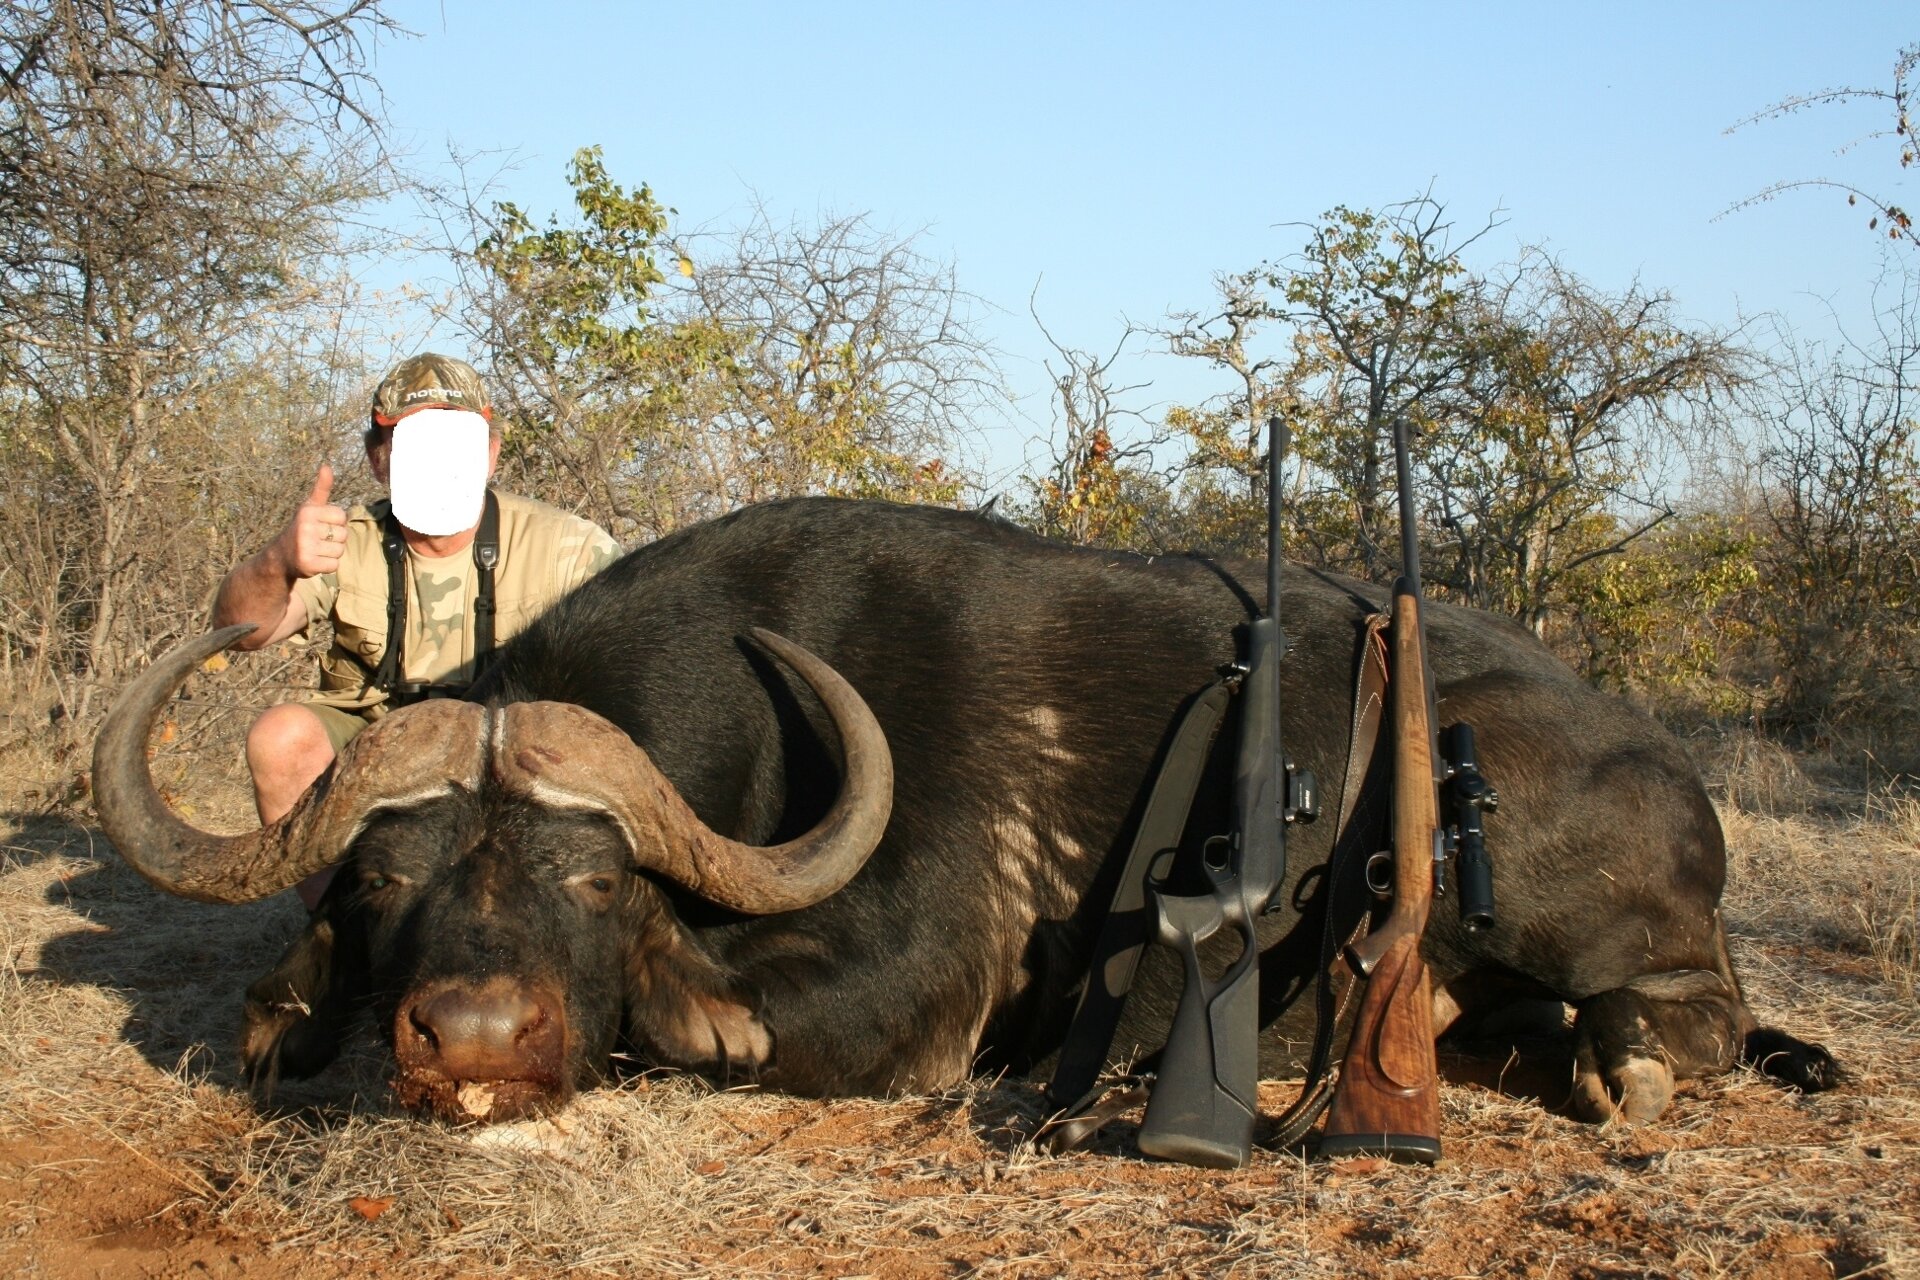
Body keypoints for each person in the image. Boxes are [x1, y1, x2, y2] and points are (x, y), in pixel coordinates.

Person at [212, 354, 620, 906]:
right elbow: (243, 633)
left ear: (491, 452)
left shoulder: (569, 546)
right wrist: (277, 561)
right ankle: (341, 939)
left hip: (518, 755)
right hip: (376, 744)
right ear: (378, 459)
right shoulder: (343, 538)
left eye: (456, 443)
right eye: (413, 444)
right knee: (281, 737)